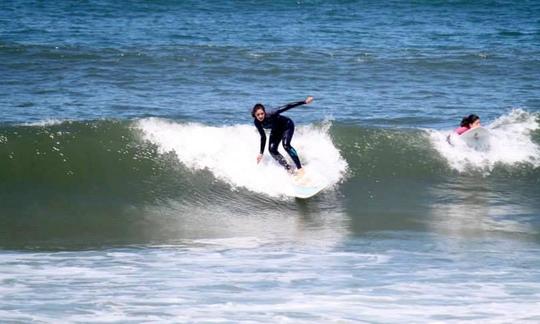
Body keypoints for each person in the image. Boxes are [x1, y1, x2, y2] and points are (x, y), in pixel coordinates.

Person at [252, 96, 314, 176]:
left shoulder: (272, 113)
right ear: (255, 115)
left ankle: (300, 168)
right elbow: (263, 137)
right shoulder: (257, 123)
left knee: (286, 146)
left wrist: (304, 102)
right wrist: (261, 153)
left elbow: (288, 106)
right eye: (258, 115)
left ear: (265, 112)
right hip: (276, 130)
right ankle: (288, 168)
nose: (260, 116)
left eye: (262, 113)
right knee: (272, 150)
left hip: (287, 125)